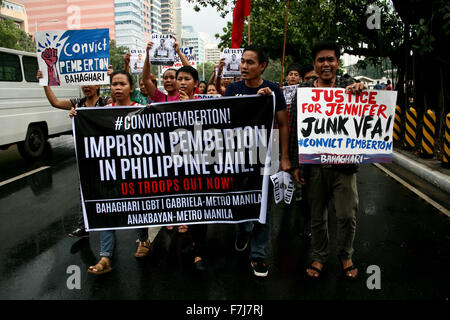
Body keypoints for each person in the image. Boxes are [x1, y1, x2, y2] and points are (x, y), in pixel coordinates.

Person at [288, 40, 367, 281]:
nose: (326, 64)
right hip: (313, 168)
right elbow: (294, 130)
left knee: (346, 215)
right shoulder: (302, 91)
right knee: (317, 216)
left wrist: (361, 91)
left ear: (337, 63)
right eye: (321, 60)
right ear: (314, 64)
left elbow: (365, 117)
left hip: (344, 167)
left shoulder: (348, 87)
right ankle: (319, 256)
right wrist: (294, 165)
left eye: (330, 59)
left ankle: (346, 255)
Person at [70, 71, 147, 274]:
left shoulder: (141, 110)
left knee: (138, 207)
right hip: (109, 172)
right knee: (107, 209)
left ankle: (143, 239)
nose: (117, 88)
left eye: (122, 84)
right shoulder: (101, 112)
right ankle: (105, 257)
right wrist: (77, 118)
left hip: (135, 170)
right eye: (114, 84)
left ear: (131, 88)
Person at [225, 45, 291, 277]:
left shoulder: (273, 90)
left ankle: (258, 254)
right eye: (243, 61)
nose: (244, 66)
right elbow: (226, 120)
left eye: (250, 62)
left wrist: (284, 157)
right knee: (240, 201)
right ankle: (243, 229)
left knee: (264, 207)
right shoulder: (233, 89)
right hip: (238, 157)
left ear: (262, 66)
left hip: (266, 157)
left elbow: (283, 124)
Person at [36, 70, 110, 239]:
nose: (86, 86)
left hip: (104, 156)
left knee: (106, 192)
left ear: (98, 84)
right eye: (83, 83)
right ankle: (83, 227)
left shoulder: (106, 102)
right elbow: (55, 102)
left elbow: (122, 102)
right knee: (84, 190)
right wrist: (44, 82)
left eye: (90, 82)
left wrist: (116, 74)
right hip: (85, 156)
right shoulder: (77, 103)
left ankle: (109, 227)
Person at [142, 37, 190, 103]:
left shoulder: (187, 95)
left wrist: (178, 52)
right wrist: (148, 54)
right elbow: (146, 80)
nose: (168, 80)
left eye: (172, 77)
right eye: (165, 78)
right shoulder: (159, 97)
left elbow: (191, 73)